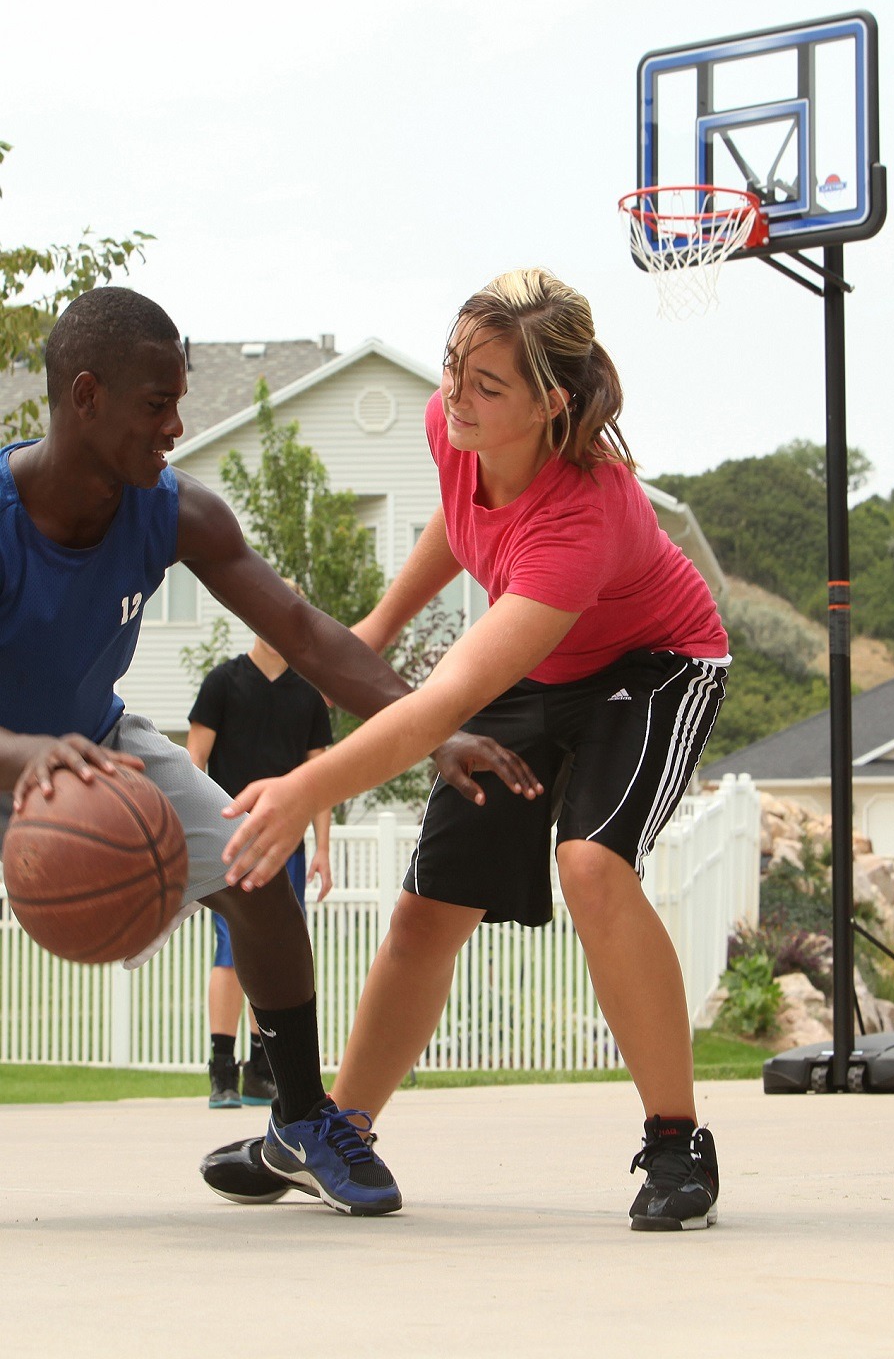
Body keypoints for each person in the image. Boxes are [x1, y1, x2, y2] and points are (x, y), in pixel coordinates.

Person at [202, 268, 730, 1231]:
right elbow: (462, 517)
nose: (458, 396)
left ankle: (675, 1142)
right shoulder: (454, 431)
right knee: (423, 913)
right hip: (546, 659)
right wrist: (375, 628)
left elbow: (442, 704)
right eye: (454, 370)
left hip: (652, 667)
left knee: (592, 864)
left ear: (551, 402)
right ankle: (335, 1132)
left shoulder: (587, 513)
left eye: (489, 385)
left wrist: (303, 788)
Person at [0, 286, 526, 1215]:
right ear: (85, 397)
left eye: (181, 398)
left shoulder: (174, 512)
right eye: (155, 404)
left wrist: (429, 727)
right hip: (20, 753)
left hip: (96, 742)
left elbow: (308, 634)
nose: (176, 425)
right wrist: (28, 758)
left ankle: (302, 1119)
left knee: (254, 868)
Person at [188, 599, 334, 1109]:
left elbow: (319, 779)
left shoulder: (308, 696)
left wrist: (323, 849)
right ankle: (221, 1071)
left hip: (286, 845)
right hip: (230, 841)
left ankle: (259, 1071)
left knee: (276, 951)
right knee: (231, 950)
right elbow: (193, 761)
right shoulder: (223, 683)